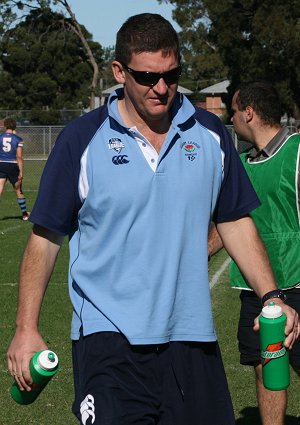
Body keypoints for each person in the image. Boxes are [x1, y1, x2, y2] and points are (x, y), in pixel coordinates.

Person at [7, 15, 299, 425]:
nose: (161, 88)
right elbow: (45, 239)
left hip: (192, 337)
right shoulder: (81, 140)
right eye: (147, 77)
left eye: (172, 74)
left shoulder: (211, 133)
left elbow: (234, 221)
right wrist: (26, 328)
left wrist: (271, 297)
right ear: (119, 72)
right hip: (108, 340)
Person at [209, 81, 300, 425]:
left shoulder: (297, 151)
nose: (231, 119)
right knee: (267, 369)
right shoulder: (242, 164)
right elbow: (230, 226)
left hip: (297, 282)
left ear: (249, 112)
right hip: (256, 290)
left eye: (233, 111)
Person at [0, 118, 30, 220]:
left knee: (0, 188)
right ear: (14, 126)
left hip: (1, 164)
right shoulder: (18, 139)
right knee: (18, 189)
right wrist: (21, 171)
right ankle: (25, 214)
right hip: (12, 165)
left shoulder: (0, 137)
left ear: (5, 126)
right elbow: (19, 157)